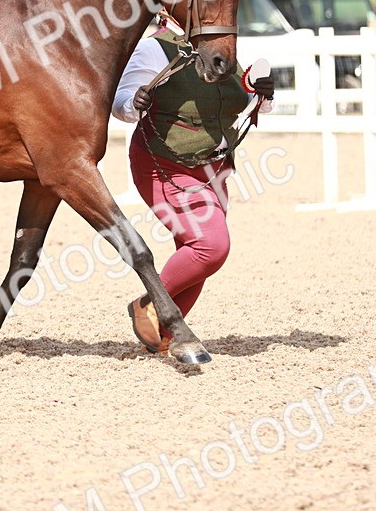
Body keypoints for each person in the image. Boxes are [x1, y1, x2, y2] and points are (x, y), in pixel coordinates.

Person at [111, 21, 274, 354]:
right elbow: (120, 102)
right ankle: (148, 304)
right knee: (210, 246)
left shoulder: (217, 46)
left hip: (216, 169)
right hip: (165, 165)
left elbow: (234, 99)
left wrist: (261, 94)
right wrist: (134, 101)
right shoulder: (154, 48)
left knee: (197, 257)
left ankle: (163, 334)